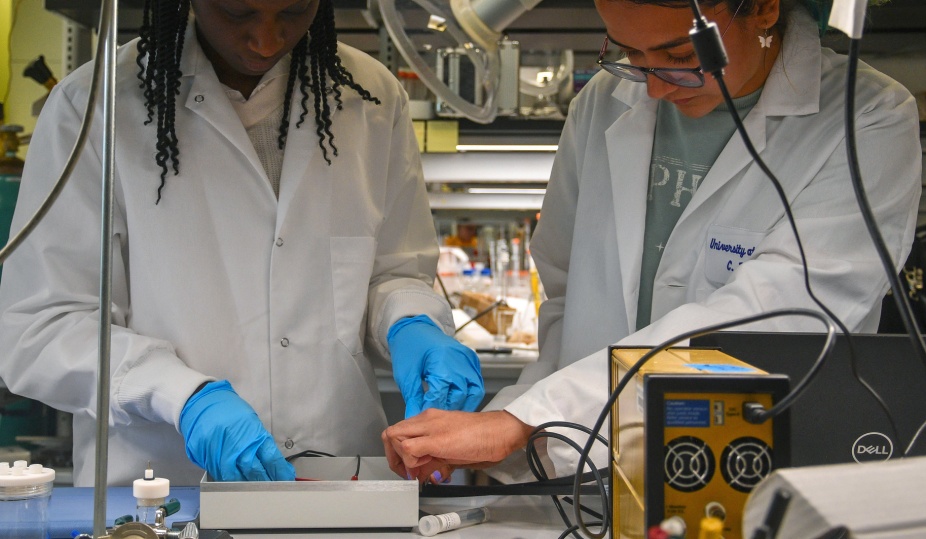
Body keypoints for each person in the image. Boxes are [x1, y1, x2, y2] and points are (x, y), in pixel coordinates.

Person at [382, 0, 922, 483]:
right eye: (628, 53)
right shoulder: (605, 100)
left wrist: (533, 418)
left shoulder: (866, 116)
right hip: (587, 475)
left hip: (751, 465)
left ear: (761, 9)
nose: (654, 85)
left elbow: (781, 319)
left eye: (681, 57)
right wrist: (519, 419)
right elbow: (568, 299)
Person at [0, 0, 485, 487]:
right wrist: (182, 397)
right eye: (238, 13)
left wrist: (410, 324)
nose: (266, 39)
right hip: (163, 487)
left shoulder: (372, 97)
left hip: (341, 479)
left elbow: (391, 271)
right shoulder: (95, 107)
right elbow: (44, 324)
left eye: (293, 12)